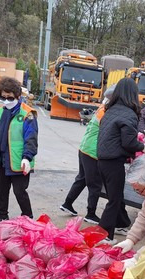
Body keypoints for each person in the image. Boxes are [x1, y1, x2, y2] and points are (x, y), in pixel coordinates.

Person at [96, 78, 145, 241]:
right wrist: (143, 147)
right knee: (114, 200)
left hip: (102, 161)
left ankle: (121, 223)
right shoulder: (129, 113)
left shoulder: (110, 111)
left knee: (115, 196)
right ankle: (104, 234)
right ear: (133, 94)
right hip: (113, 162)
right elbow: (128, 142)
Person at [0, 77, 38, 223]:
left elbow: (31, 138)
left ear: (18, 96)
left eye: (10, 98)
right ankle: (1, 215)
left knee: (20, 191)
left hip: (19, 160)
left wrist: (27, 158)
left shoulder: (27, 114)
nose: (6, 100)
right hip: (3, 158)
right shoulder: (0, 112)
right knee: (2, 189)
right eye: (2, 97)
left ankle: (27, 217)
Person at [59, 86, 115, 224]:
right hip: (92, 152)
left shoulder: (102, 107)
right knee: (95, 184)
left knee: (82, 178)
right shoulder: (107, 112)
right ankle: (91, 214)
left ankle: (67, 204)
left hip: (84, 148)